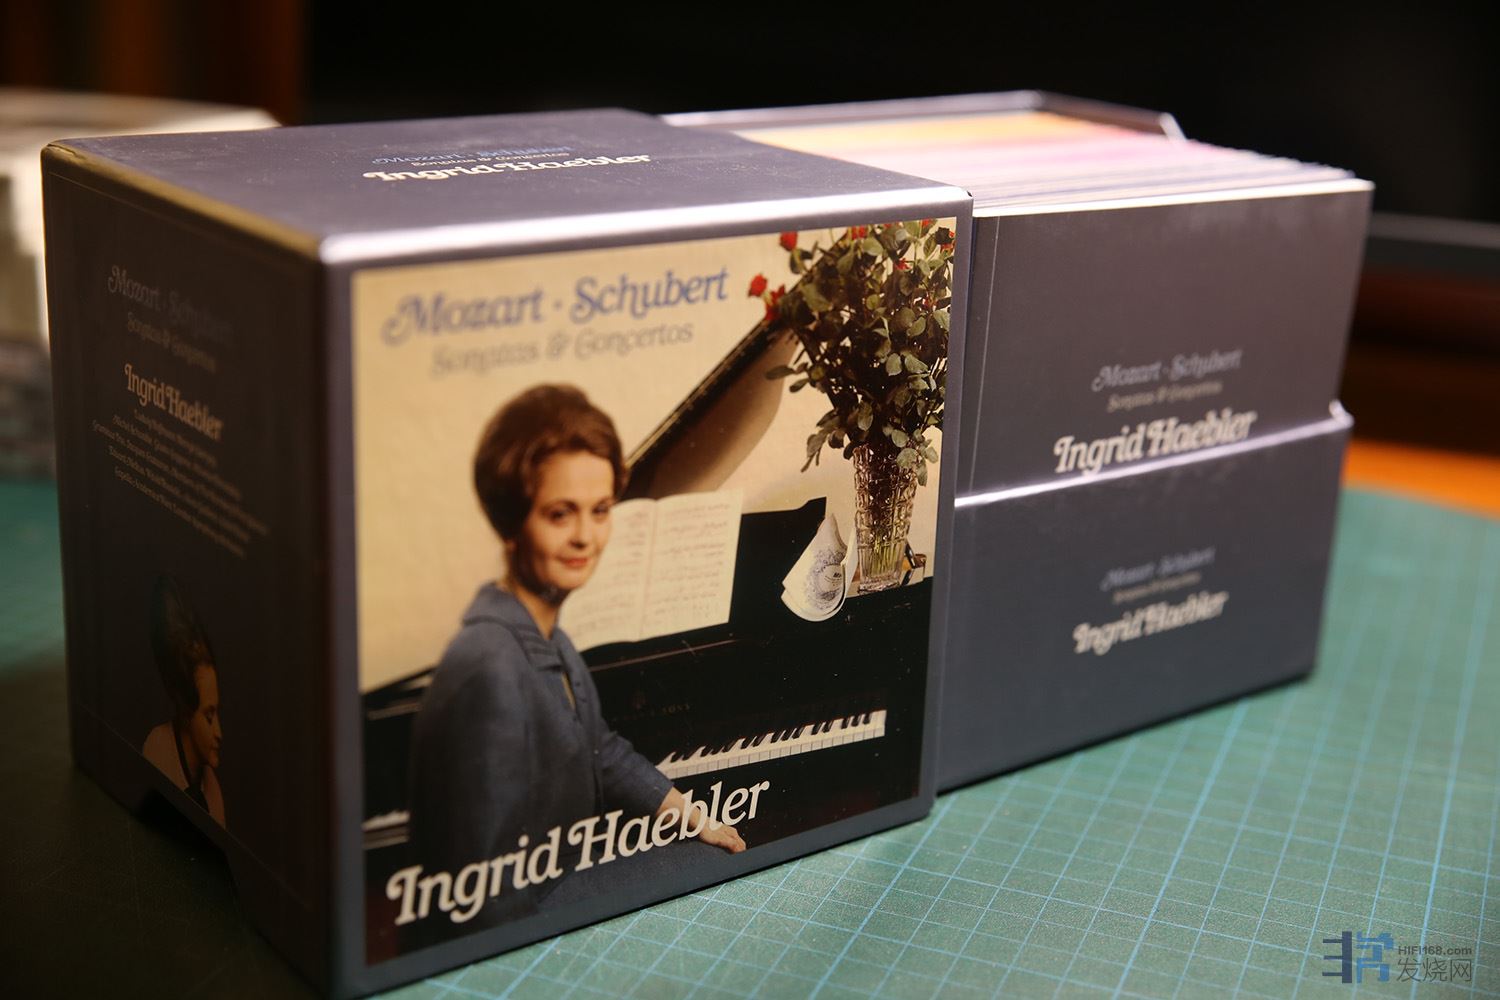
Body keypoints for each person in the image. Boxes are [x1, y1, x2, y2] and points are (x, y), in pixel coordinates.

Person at [410, 385, 743, 927]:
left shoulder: (549, 638)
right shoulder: (490, 667)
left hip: (560, 876)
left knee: (714, 854)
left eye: (601, 510)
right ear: (512, 522)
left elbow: (599, 748)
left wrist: (693, 816)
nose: (586, 537)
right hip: (528, 911)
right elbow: (483, 894)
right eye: (560, 514)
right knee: (715, 879)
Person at [141, 575, 225, 826]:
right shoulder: (157, 750)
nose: (219, 733)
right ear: (186, 711)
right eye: (208, 716)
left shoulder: (213, 792)